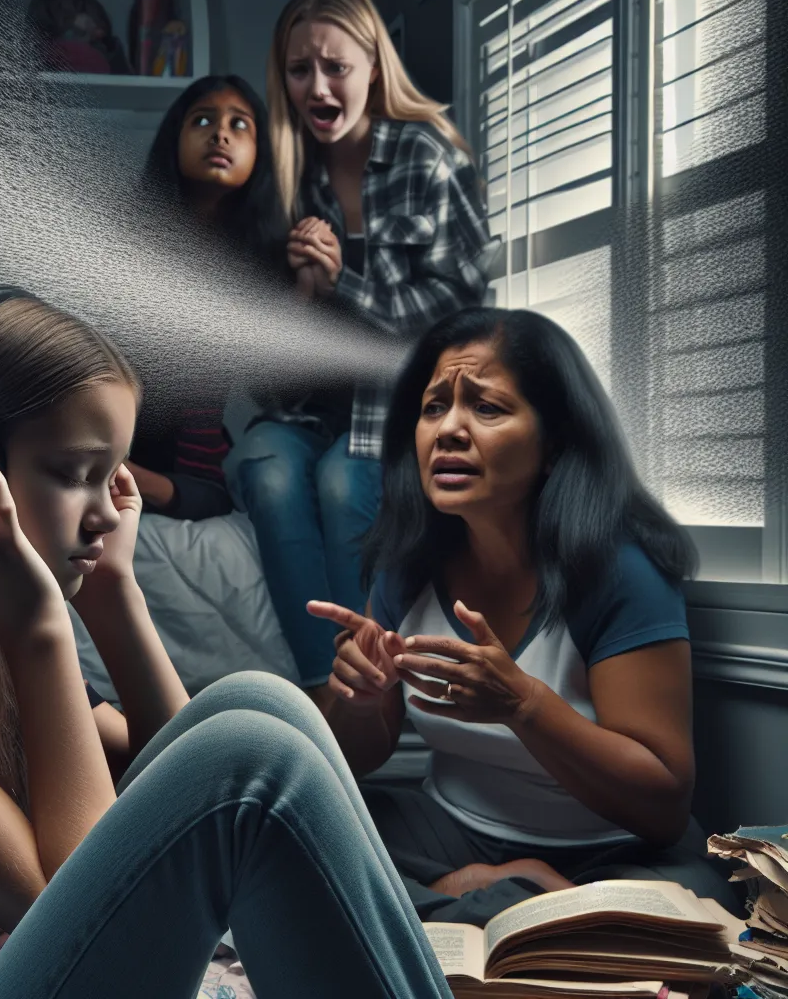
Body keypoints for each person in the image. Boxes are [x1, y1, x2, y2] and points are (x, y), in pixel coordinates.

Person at [0, 288, 455, 999]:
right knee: (257, 758)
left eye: (111, 477)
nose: (104, 515)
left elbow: (172, 775)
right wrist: (39, 632)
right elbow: (73, 901)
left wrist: (113, 596)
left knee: (260, 704)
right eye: (72, 473)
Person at [308, 306, 741, 925]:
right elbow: (360, 754)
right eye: (434, 408)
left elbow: (664, 808)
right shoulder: (406, 562)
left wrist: (524, 705)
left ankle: (480, 905)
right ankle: (491, 891)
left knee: (688, 908)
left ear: (554, 442)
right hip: (446, 833)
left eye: (486, 408)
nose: (448, 431)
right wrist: (356, 698)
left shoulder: (622, 571)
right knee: (293, 831)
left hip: (610, 853)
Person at [225, 0, 494, 698]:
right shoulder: (284, 177)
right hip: (309, 408)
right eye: (298, 69)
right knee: (264, 463)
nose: (317, 85)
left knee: (347, 480)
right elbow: (268, 376)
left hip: (402, 405)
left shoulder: (427, 158)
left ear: (374, 68)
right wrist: (304, 297)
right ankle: (326, 689)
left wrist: (346, 283)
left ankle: (372, 686)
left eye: (335, 67)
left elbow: (462, 316)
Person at [127, 74, 289, 521]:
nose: (220, 133)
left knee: (215, 495)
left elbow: (273, 389)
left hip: (190, 448)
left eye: (240, 125)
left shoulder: (269, 258)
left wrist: (313, 288)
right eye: (202, 120)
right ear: (174, 138)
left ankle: (138, 480)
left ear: (260, 155)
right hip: (118, 417)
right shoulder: (126, 237)